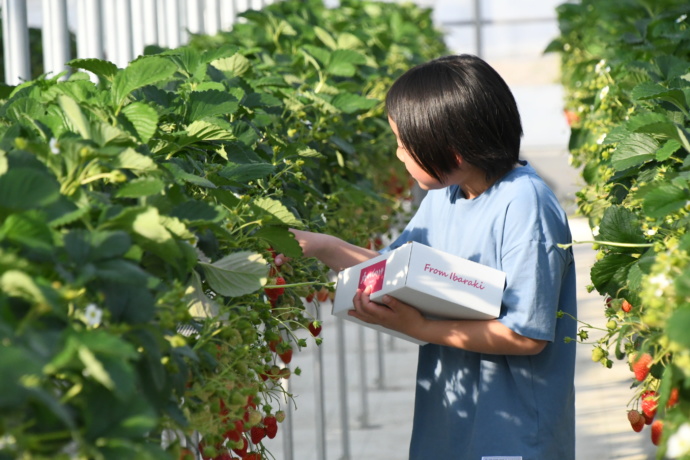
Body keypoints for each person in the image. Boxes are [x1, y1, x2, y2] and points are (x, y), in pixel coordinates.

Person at [277, 54, 577, 460]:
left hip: (511, 432)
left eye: (404, 143)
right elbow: (393, 269)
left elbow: (525, 335)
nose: (399, 154)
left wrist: (420, 328)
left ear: (451, 151)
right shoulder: (447, 197)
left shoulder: (525, 204)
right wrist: (321, 246)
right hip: (453, 422)